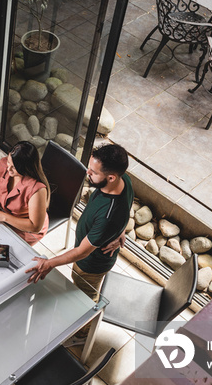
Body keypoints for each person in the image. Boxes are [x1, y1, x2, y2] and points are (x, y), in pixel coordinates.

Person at [26, 144, 134, 339]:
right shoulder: (124, 180)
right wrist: (121, 230)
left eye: (93, 172)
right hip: (95, 245)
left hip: (90, 265)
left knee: (86, 297)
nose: (87, 173)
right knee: (80, 292)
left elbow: (82, 252)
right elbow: (127, 207)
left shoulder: (109, 214)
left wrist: (49, 263)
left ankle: (82, 333)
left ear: (111, 177)